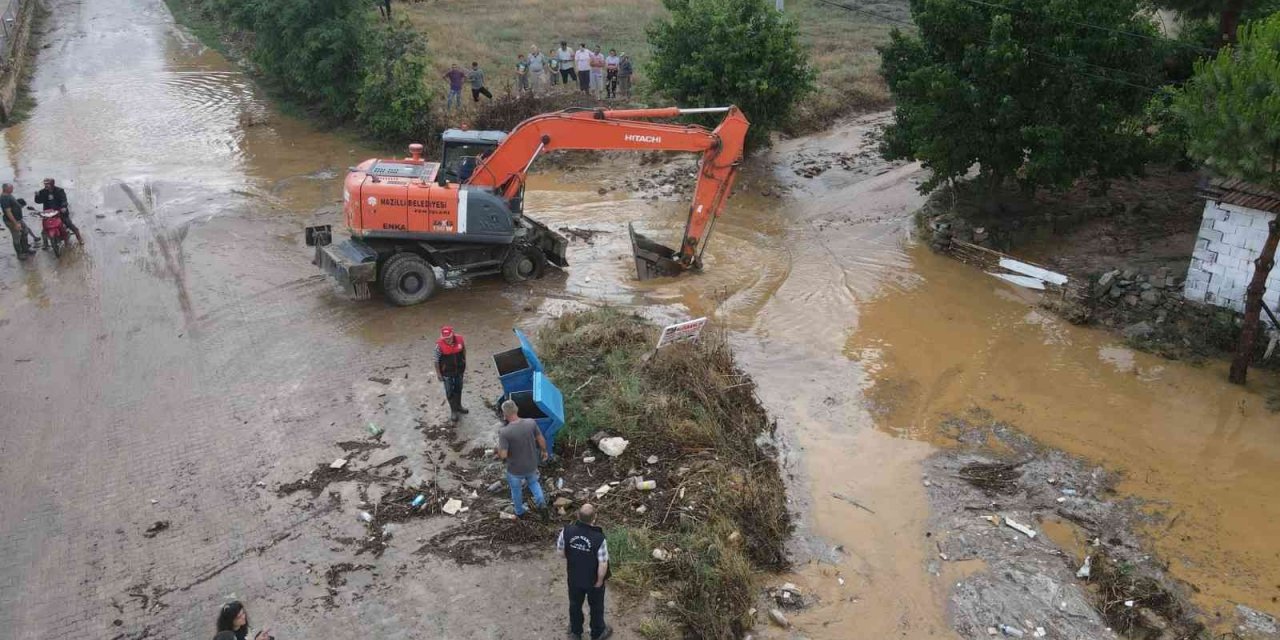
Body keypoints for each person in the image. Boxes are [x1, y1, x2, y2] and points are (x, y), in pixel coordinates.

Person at [557, 504, 612, 640]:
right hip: (593, 581)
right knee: (596, 607)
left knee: (575, 604)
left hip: (574, 578)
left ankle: (575, 632)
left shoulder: (566, 531)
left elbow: (560, 553)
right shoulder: (599, 538)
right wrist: (599, 581)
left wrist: (575, 555)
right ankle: (598, 632)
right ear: (594, 518)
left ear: (577, 516)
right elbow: (603, 564)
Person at [497, 399, 549, 521]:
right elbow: (540, 439)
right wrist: (544, 451)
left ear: (505, 415)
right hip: (531, 465)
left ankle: (519, 512)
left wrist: (498, 450)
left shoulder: (504, 432)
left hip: (515, 469)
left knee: (516, 490)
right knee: (534, 484)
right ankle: (542, 506)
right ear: (517, 410)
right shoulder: (531, 423)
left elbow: (503, 455)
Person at [34, 178, 81, 247]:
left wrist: (63, 207)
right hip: (48, 213)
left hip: (60, 212)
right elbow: (38, 201)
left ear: (52, 184)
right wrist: (37, 195)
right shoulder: (42, 192)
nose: (46, 185)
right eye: (45, 184)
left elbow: (64, 200)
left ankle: (79, 238)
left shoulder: (59, 190)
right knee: (44, 230)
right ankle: (45, 244)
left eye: (48, 184)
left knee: (69, 224)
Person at [435, 325, 468, 422]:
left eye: (449, 338)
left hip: (459, 370)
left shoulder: (460, 340)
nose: (447, 340)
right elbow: (436, 360)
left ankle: (459, 406)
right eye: (445, 339)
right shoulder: (439, 346)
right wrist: (439, 374)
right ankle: (453, 411)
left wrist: (464, 361)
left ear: (452, 334)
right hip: (447, 373)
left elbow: (464, 350)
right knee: (449, 391)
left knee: (459, 388)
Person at [1, 183, 32, 259]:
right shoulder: (4, 198)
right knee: (16, 237)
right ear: (6, 189)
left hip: (18, 219)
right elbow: (8, 212)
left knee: (25, 231)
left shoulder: (8, 195)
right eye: (11, 188)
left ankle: (25, 249)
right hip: (12, 221)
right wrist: (15, 223)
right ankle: (20, 253)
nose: (13, 189)